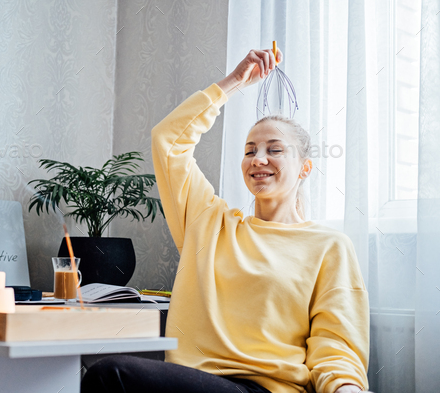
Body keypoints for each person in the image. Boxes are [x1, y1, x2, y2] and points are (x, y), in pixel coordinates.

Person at [81, 48, 370, 393]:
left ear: (305, 168)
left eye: (274, 149)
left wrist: (346, 388)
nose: (258, 159)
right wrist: (233, 83)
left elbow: (336, 345)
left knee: (110, 374)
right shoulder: (210, 223)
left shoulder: (329, 246)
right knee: (107, 373)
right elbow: (169, 142)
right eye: (250, 150)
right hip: (197, 381)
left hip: (269, 389)